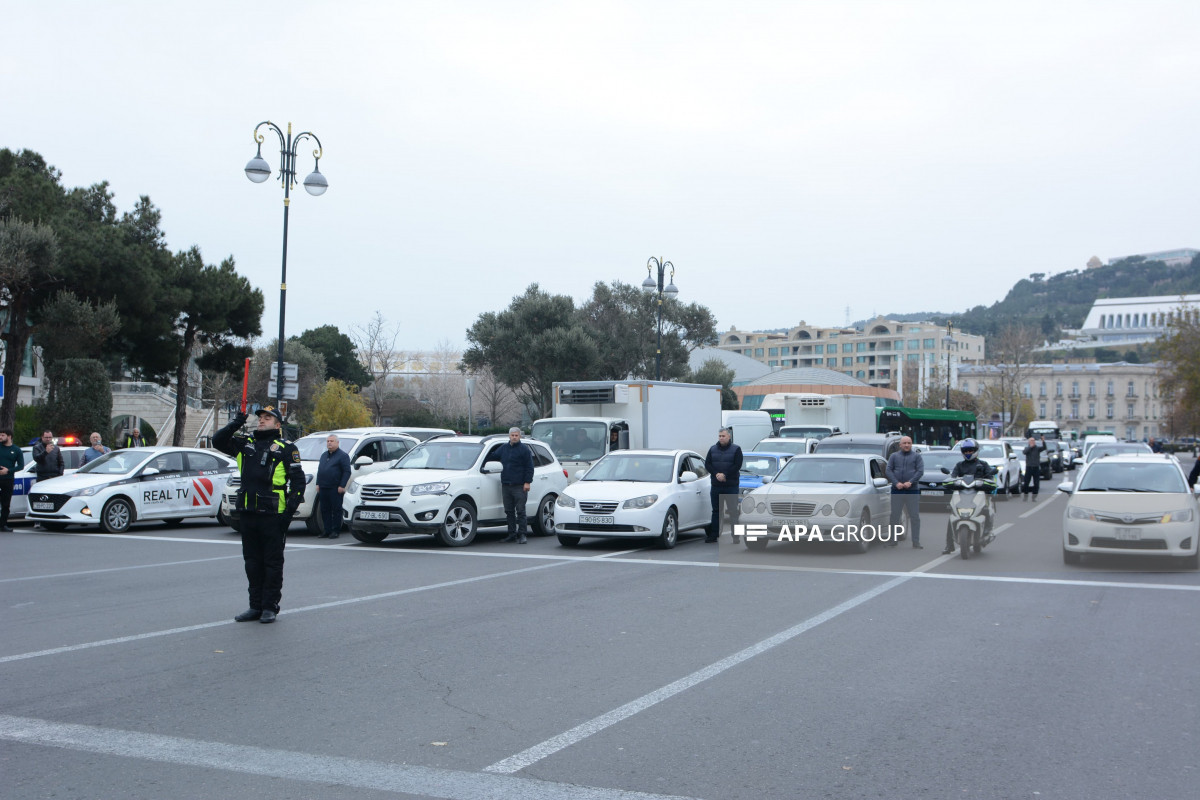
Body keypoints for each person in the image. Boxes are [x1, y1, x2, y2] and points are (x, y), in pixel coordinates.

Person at [213, 405, 304, 624]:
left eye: (268, 418)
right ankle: (255, 606)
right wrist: (236, 423)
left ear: (278, 424)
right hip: (248, 512)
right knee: (252, 563)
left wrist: (288, 515)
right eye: (261, 417)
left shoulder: (286, 448)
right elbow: (217, 441)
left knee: (272, 563)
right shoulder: (246, 445)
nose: (262, 421)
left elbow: (298, 483)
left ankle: (269, 606)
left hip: (273, 514)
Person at [942, 438, 997, 554]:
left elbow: (991, 479)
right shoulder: (959, 465)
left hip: (979, 494)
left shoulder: (983, 464)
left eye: (970, 451)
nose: (968, 453)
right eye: (966, 451)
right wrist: (951, 481)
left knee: (986, 509)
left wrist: (986, 482)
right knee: (952, 515)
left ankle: (986, 532)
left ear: (975, 451)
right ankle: (949, 545)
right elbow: (953, 477)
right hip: (962, 494)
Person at [495, 427, 534, 544]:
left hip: (519, 485)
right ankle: (511, 534)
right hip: (506, 485)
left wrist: (527, 482)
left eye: (516, 435)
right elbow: (493, 456)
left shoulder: (524, 450)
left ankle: (522, 534)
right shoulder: (503, 448)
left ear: (520, 436)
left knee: (521, 511)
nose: (514, 437)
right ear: (509, 436)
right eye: (512, 435)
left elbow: (529, 467)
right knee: (509, 511)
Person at [705, 427, 743, 543]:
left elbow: (737, 465)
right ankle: (714, 535)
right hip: (716, 485)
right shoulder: (712, 449)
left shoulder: (736, 449)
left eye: (723, 436)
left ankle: (736, 537)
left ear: (729, 437)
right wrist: (716, 474)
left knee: (733, 511)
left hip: (731, 486)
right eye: (720, 436)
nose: (721, 438)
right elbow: (708, 464)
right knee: (716, 511)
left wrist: (725, 475)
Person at [885, 435, 924, 549]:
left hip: (912, 490)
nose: (907, 445)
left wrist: (910, 482)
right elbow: (888, 470)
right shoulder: (894, 456)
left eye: (909, 443)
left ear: (911, 444)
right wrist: (896, 482)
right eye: (905, 443)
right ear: (900, 445)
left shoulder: (917, 457)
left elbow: (920, 471)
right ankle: (893, 540)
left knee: (914, 516)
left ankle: (916, 542)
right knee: (894, 516)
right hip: (897, 490)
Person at [315, 434, 351, 539]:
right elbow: (320, 470)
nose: (329, 443)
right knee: (324, 510)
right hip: (323, 487)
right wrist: (318, 483)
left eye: (331, 441)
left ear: (337, 442)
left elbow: (347, 472)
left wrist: (342, 485)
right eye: (328, 441)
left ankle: (335, 531)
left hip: (335, 488)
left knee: (336, 510)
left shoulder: (343, 456)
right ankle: (327, 530)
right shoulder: (324, 455)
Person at [0, 429, 23, 532]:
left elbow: (21, 466)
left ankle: (3, 524)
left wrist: (8, 470)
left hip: (8, 479)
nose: (0, 437)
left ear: (9, 436)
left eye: (2, 435)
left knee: (6, 503)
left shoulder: (16, 450)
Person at [1020, 436, 1047, 501]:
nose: (1033, 442)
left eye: (1033, 441)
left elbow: (1044, 448)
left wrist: (1043, 441)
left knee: (1036, 483)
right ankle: (1025, 496)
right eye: (1031, 441)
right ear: (1029, 442)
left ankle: (1034, 497)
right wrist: (1030, 447)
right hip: (1029, 467)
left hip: (1036, 467)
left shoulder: (1037, 448)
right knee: (1026, 483)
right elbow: (1024, 452)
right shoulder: (1027, 448)